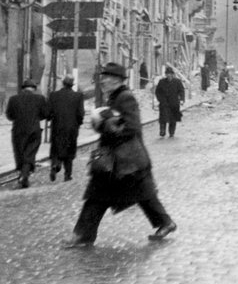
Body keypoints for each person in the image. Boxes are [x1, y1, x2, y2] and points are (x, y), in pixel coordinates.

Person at [66, 61, 176, 247]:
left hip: (126, 159)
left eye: (106, 78)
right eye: (102, 77)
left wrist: (103, 122)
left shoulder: (125, 97)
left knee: (103, 194)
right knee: (132, 194)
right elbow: (116, 123)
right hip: (121, 159)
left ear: (117, 80)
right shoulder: (115, 97)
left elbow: (131, 126)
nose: (102, 81)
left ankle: (84, 236)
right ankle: (165, 223)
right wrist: (103, 121)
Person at [5, 78, 49, 188]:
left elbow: (9, 116)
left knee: (20, 153)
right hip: (34, 129)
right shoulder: (40, 99)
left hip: (18, 130)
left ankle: (23, 174)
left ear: (23, 88)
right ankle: (24, 175)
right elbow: (45, 114)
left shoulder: (13, 99)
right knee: (30, 153)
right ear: (34, 88)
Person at [48, 74, 85, 182]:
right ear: (72, 85)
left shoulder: (53, 95)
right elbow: (80, 114)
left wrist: (51, 118)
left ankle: (56, 164)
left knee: (56, 148)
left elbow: (49, 112)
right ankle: (67, 175)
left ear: (63, 83)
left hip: (57, 126)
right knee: (69, 150)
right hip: (72, 128)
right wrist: (79, 123)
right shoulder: (78, 96)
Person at [154, 66, 185, 137]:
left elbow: (181, 91)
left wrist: (182, 99)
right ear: (166, 74)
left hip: (174, 103)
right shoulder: (161, 82)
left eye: (170, 74)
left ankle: (171, 132)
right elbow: (157, 92)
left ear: (173, 74)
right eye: (167, 74)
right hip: (164, 103)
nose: (169, 75)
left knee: (173, 119)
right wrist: (160, 99)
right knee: (163, 118)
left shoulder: (177, 82)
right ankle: (162, 130)